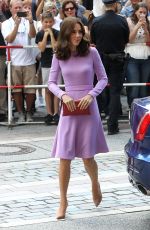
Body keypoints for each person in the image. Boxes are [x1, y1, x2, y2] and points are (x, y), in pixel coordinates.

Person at [48, 16, 109, 219]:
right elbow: (51, 83)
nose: (77, 35)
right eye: (73, 32)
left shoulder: (91, 52)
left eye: (80, 32)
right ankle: (63, 201)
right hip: (68, 107)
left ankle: (95, 183)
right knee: (64, 157)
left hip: (88, 107)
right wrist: (63, 94)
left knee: (87, 156)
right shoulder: (59, 54)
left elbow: (103, 78)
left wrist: (91, 95)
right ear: (65, 33)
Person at [90, 0, 129, 135]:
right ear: (115, 5)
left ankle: (96, 123)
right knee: (115, 92)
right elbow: (126, 39)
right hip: (117, 59)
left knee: (98, 91)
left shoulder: (97, 21)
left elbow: (93, 40)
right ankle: (112, 126)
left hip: (101, 58)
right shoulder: (122, 21)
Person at [1, 0, 37, 122]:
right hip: (14, 62)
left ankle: (29, 113)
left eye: (20, 8)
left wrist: (31, 21)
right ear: (10, 9)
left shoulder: (28, 20)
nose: (18, 10)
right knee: (16, 89)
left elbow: (33, 35)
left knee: (31, 90)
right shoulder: (6, 23)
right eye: (16, 8)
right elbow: (9, 39)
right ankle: (21, 113)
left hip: (29, 61)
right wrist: (16, 24)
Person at [36, 12, 60, 125]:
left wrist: (51, 35)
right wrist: (45, 35)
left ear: (53, 22)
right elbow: (41, 48)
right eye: (46, 22)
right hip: (45, 64)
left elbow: (56, 47)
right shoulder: (39, 34)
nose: (48, 24)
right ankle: (49, 112)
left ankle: (56, 112)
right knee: (47, 89)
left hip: (57, 64)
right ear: (42, 22)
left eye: (50, 22)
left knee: (57, 89)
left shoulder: (57, 33)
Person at [125, 3, 150, 108]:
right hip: (132, 55)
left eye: (144, 12)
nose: (142, 14)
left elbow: (149, 40)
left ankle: (143, 110)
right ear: (135, 12)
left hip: (146, 55)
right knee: (134, 84)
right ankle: (132, 108)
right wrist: (138, 25)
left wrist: (145, 28)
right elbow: (129, 39)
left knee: (144, 86)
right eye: (140, 12)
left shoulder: (148, 21)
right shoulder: (128, 21)